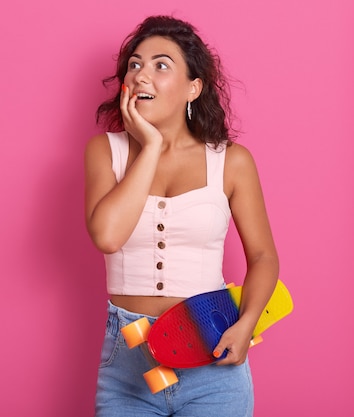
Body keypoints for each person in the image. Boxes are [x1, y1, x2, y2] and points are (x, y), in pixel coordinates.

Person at [85, 15, 279, 417]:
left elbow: (263, 257)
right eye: (135, 65)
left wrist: (245, 326)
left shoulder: (232, 162)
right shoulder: (106, 152)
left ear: (193, 87)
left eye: (161, 65)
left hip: (212, 358)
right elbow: (107, 236)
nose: (141, 76)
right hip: (127, 365)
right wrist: (151, 145)